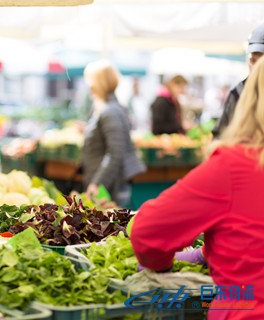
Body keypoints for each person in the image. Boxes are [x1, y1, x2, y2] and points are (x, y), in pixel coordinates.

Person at [130, 57, 264, 319]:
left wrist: (162, 265)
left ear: (249, 101)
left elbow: (147, 232)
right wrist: (207, 252)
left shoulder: (234, 166)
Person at [82, 60, 145, 207]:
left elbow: (115, 153)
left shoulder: (109, 111)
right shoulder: (108, 108)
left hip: (111, 188)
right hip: (108, 184)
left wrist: (97, 183)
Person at [212, 23, 264, 138]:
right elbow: (219, 134)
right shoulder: (238, 92)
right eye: (252, 60)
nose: (255, 67)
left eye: (260, 62)